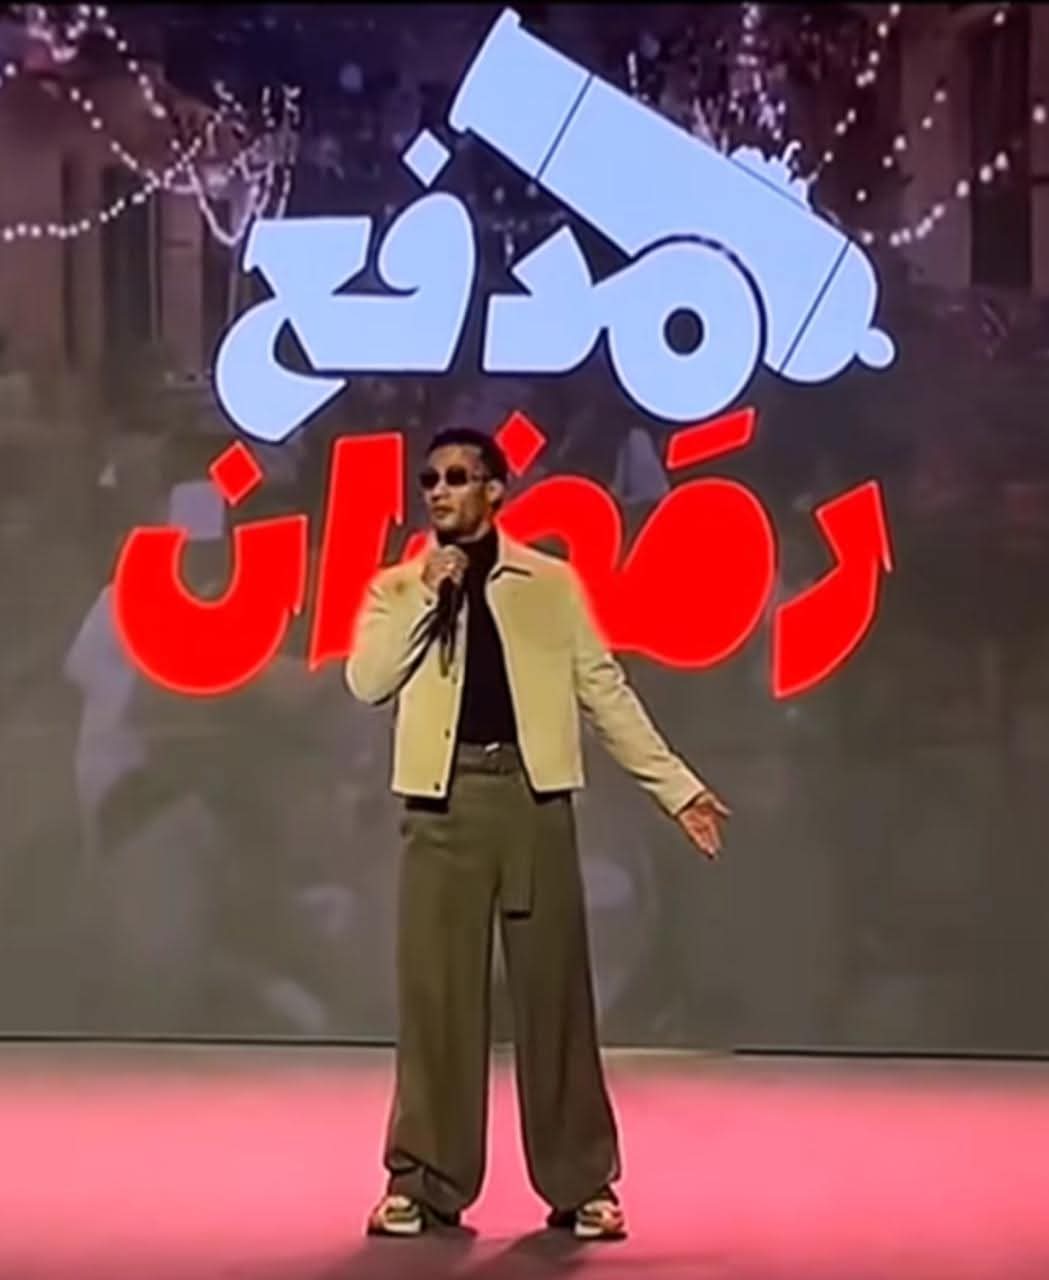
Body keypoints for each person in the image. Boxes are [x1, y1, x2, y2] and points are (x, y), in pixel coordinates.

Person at [345, 427, 730, 1241]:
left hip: (531, 799)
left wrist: (676, 788)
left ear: (494, 489)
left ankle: (581, 1181)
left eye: (457, 477)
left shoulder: (548, 585)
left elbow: (603, 690)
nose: (439, 492)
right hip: (441, 807)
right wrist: (425, 595)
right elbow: (368, 681)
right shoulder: (397, 587)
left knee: (554, 998)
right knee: (437, 1002)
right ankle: (422, 1181)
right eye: (429, 480)